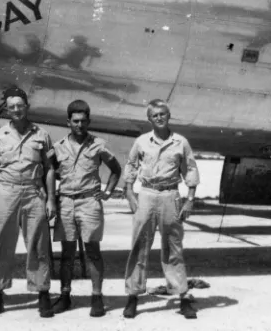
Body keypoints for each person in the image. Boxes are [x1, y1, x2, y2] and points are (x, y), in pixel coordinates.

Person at [0, 87, 57, 318]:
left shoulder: (41, 135)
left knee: (38, 245)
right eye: (11, 106)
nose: (16, 110)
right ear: (7, 109)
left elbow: (50, 169)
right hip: (6, 192)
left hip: (34, 193)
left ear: (27, 106)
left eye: (20, 105)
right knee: (1, 244)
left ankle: (42, 293)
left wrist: (51, 199)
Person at [122, 99, 199, 319]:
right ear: (149, 118)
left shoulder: (180, 142)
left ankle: (182, 297)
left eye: (163, 114)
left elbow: (190, 170)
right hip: (146, 195)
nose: (159, 118)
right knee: (139, 246)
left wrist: (190, 199)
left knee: (173, 247)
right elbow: (131, 166)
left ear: (168, 115)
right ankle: (133, 296)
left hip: (170, 195)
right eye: (155, 115)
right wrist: (129, 193)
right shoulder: (141, 142)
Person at [51, 100, 122, 317]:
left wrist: (108, 192)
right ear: (68, 122)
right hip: (66, 203)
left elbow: (116, 169)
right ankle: (65, 296)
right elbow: (49, 171)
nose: (80, 125)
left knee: (93, 252)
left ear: (89, 121)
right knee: (67, 253)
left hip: (90, 202)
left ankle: (97, 298)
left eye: (83, 121)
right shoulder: (58, 146)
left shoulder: (99, 145)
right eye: (75, 121)